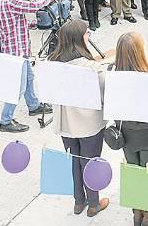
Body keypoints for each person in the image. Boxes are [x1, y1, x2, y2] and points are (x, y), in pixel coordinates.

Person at [49, 20, 111, 217]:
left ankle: (78, 201)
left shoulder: (52, 63)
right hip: (88, 125)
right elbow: (105, 93)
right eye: (86, 34)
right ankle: (93, 203)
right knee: (90, 163)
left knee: (74, 161)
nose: (88, 37)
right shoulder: (90, 68)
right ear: (77, 39)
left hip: (65, 124)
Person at [0, 0, 55, 132]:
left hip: (21, 48)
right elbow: (33, 5)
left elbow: (14, 22)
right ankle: (5, 120)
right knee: (18, 87)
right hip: (15, 52)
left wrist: (33, 24)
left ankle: (33, 105)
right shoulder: (10, 1)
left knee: (29, 78)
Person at [114, 32, 148, 226]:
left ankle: (137, 213)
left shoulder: (114, 75)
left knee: (134, 172)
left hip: (126, 135)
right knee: (147, 174)